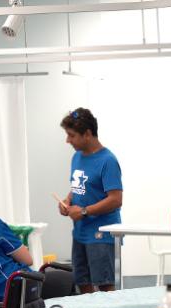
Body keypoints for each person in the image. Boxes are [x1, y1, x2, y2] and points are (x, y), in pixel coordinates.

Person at [59, 108, 122, 294]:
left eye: (71, 135)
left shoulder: (108, 160)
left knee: (104, 285)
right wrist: (67, 200)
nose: (67, 140)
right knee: (82, 283)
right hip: (80, 233)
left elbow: (116, 199)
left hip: (101, 233)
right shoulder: (76, 157)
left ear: (87, 134)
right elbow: (78, 186)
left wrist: (84, 211)